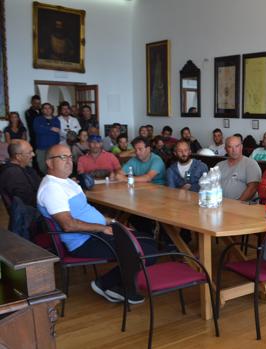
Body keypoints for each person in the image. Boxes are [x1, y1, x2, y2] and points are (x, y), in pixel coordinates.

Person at [37, 144, 157, 304]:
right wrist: (104, 228)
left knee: (147, 239)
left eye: (70, 157)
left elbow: (87, 210)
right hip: (84, 241)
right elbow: (68, 225)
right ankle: (105, 283)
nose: (68, 161)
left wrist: (113, 222)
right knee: (146, 251)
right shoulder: (52, 188)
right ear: (49, 163)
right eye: (62, 157)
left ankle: (120, 283)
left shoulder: (66, 182)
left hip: (95, 233)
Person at [216, 135, 261, 200]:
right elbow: (209, 184)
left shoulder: (251, 164)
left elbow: (253, 188)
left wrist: (237, 204)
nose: (234, 150)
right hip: (219, 203)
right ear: (225, 149)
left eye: (237, 146)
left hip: (242, 206)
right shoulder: (219, 165)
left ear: (241, 147)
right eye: (230, 147)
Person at [0, 140, 41, 207]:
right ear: (18, 156)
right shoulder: (13, 174)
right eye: (29, 152)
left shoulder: (25, 168)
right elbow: (28, 201)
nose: (33, 154)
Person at [33, 103, 61, 174]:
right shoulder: (37, 119)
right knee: (42, 167)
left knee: (54, 166)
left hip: (54, 148)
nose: (47, 110)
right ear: (42, 110)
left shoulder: (56, 119)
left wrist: (44, 128)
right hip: (41, 148)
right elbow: (38, 129)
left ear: (52, 109)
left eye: (49, 108)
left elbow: (57, 130)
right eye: (45, 108)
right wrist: (51, 128)